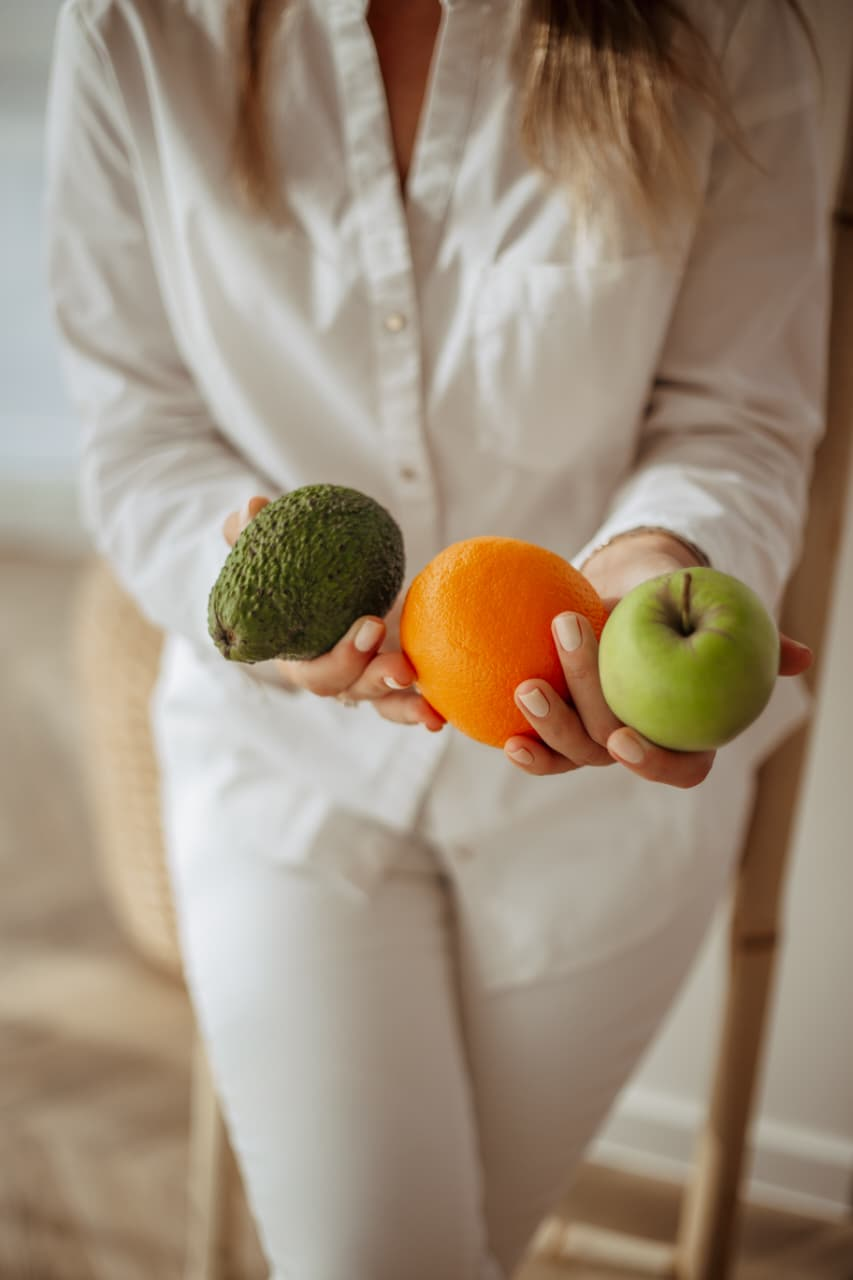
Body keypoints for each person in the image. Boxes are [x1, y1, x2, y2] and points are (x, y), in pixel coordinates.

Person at [44, 0, 825, 1276]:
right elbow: (137, 428)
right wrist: (250, 604)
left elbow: (732, 412)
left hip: (595, 798)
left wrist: (651, 565)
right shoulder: (136, 25)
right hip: (284, 773)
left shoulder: (725, 27)